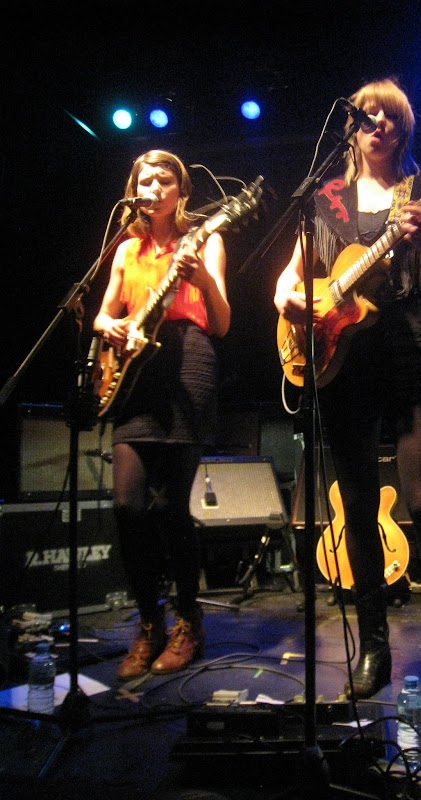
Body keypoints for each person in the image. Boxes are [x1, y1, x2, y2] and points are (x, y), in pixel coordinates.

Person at [274, 77, 421, 704]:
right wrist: (297, 302)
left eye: (390, 115)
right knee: (355, 507)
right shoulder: (324, 199)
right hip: (341, 358)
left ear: (404, 130)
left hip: (411, 346)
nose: (377, 122)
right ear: (352, 128)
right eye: (367, 114)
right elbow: (286, 283)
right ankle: (374, 651)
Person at [93, 149, 230, 681]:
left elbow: (221, 321)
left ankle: (188, 621)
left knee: (171, 507)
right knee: (127, 504)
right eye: (144, 180)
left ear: (181, 190)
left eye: (163, 179)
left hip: (189, 360)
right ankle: (148, 622)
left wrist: (204, 281)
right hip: (133, 373)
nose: (153, 187)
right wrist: (107, 325)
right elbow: (105, 313)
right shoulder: (126, 249)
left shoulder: (205, 239)